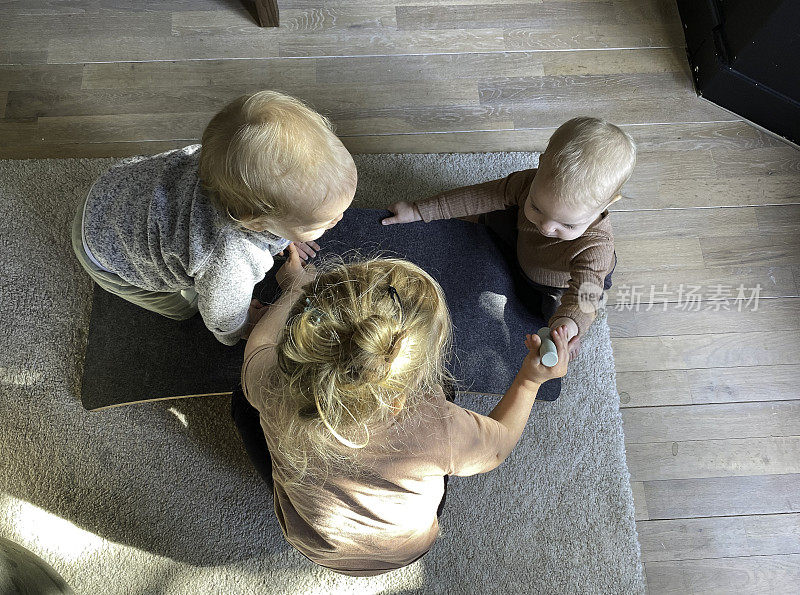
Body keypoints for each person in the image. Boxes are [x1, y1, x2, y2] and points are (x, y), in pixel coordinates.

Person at [238, 247, 569, 576]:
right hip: (403, 550)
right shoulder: (437, 424)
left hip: (313, 543)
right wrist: (529, 381)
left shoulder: (268, 381)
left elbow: (262, 340)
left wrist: (296, 287)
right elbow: (499, 446)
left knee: (242, 402)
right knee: (445, 402)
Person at [71, 90, 356, 345]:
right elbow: (222, 316)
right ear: (254, 223)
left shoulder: (228, 162)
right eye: (320, 222)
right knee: (184, 307)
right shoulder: (228, 261)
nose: (339, 220)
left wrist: (287, 234)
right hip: (105, 254)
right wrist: (239, 327)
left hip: (113, 189)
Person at [381, 116, 636, 361]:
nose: (546, 227)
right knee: (492, 213)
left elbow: (586, 293)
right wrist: (418, 210)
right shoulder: (526, 183)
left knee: (551, 317)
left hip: (555, 284)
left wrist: (570, 323)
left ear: (607, 203)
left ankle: (571, 332)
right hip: (520, 240)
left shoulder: (596, 248)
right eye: (537, 207)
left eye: (567, 224)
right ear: (540, 164)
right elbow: (478, 196)